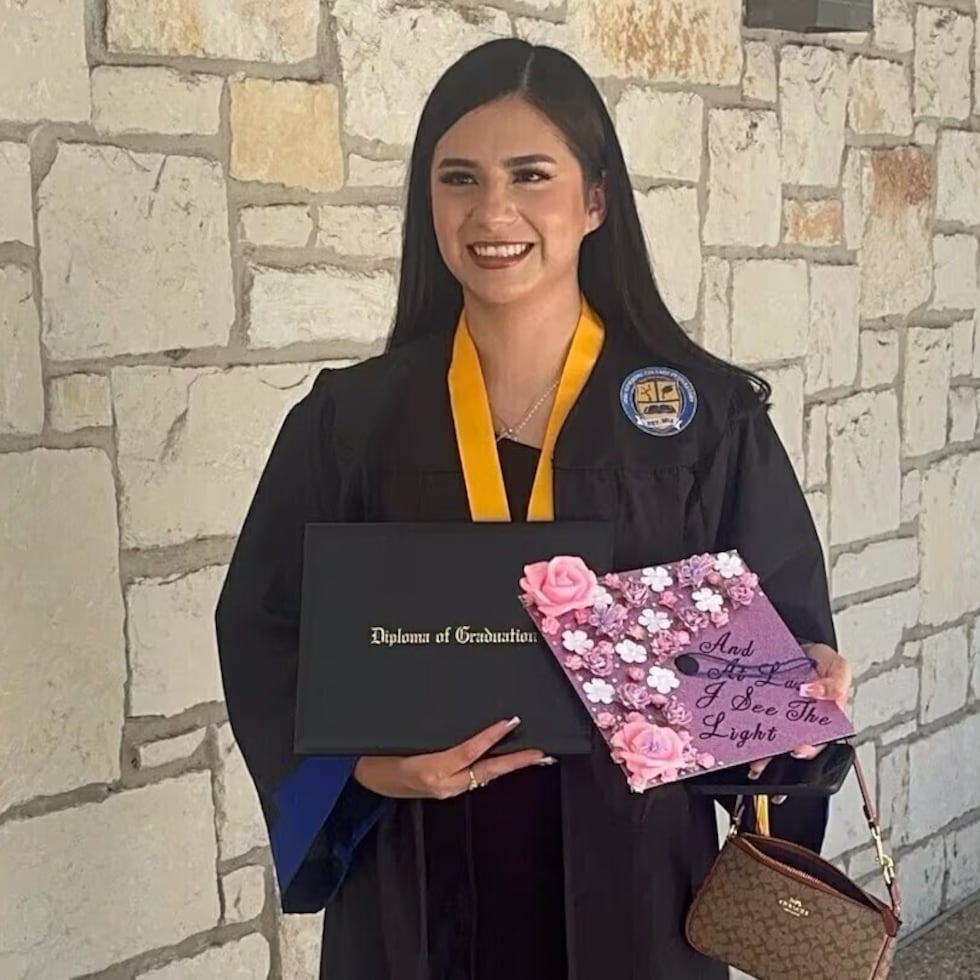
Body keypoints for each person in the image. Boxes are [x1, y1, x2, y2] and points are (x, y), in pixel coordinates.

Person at [215, 38, 853, 980]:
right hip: (415, 886)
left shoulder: (699, 422)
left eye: (530, 176)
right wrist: (362, 769)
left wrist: (793, 707)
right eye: (459, 179)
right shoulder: (350, 421)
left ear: (595, 200)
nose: (493, 212)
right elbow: (265, 626)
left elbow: (780, 652)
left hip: (638, 891)